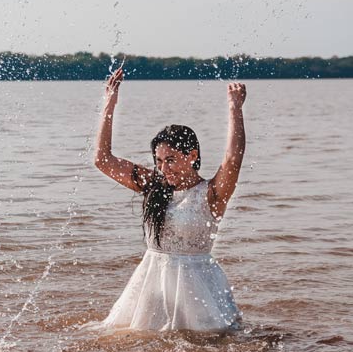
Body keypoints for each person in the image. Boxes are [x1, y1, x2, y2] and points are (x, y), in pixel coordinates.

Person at [91, 66, 246, 332]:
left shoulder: (212, 194)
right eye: (159, 161)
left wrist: (235, 109)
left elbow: (233, 159)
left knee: (209, 346)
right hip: (151, 280)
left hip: (198, 287)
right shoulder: (154, 186)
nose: (165, 168)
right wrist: (109, 104)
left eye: (172, 160)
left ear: (193, 155)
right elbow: (102, 160)